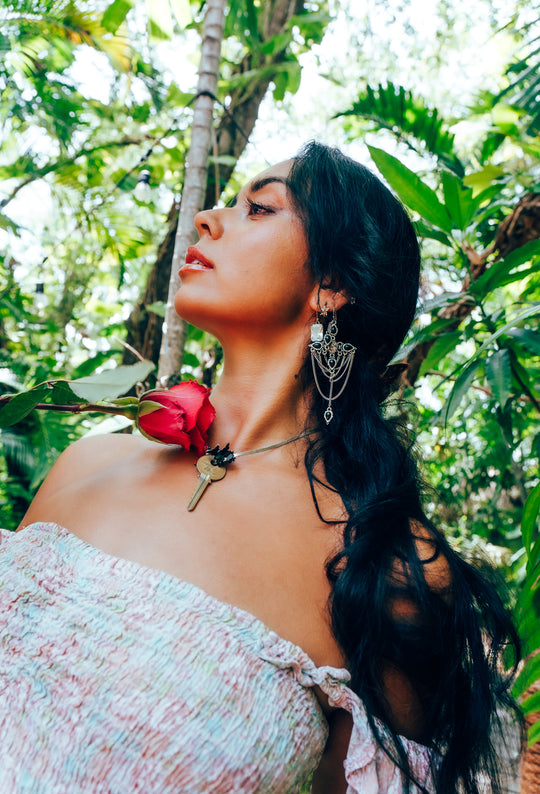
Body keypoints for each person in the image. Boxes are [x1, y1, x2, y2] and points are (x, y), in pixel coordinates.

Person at [1, 142, 520, 793]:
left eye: (260, 207)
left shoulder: (387, 564)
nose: (209, 219)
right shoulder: (87, 461)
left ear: (332, 285)